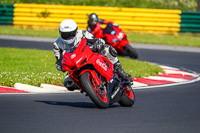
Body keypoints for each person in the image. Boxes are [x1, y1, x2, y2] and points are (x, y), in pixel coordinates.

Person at [53, 19, 132, 91]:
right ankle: (88, 88)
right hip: (75, 63)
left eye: (70, 34)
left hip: (89, 54)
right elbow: (59, 59)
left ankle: (120, 70)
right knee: (68, 83)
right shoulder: (57, 44)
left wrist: (97, 43)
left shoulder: (83, 33)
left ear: (75, 31)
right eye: (65, 35)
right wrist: (60, 65)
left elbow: (94, 40)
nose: (68, 37)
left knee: (107, 49)